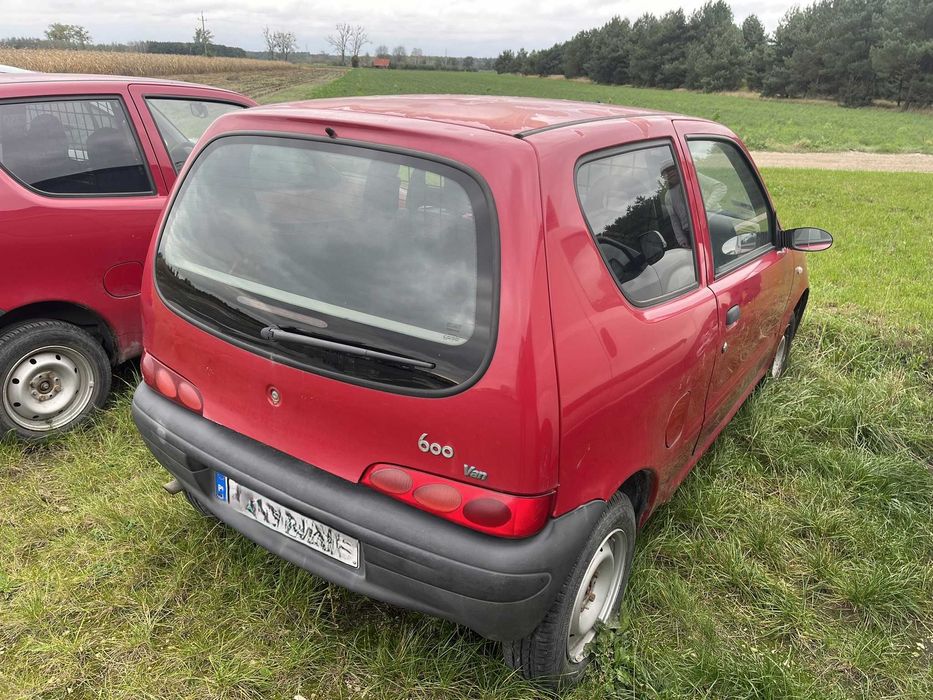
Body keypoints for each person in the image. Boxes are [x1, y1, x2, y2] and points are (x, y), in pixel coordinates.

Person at [661, 161, 726, 248]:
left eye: (672, 169)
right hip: (692, 233)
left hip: (714, 220)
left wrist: (706, 208)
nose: (670, 173)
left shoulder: (693, 178)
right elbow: (674, 219)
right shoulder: (668, 195)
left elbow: (720, 187)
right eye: (666, 172)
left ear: (678, 168)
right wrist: (681, 239)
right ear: (664, 177)